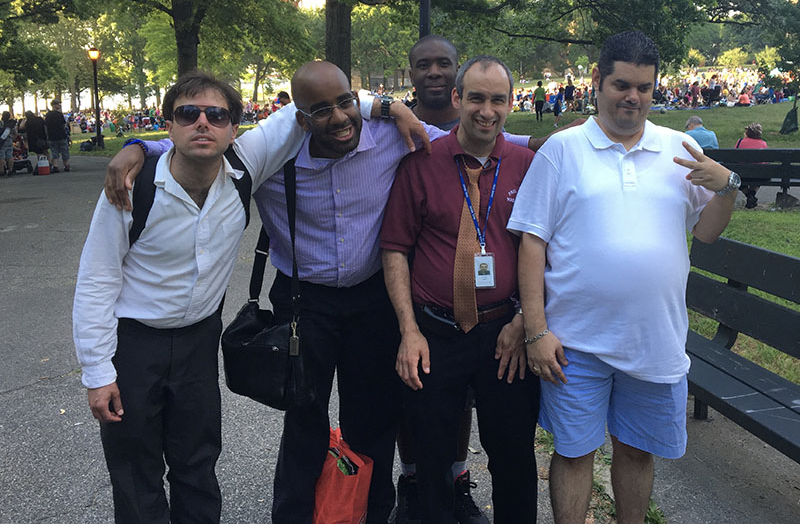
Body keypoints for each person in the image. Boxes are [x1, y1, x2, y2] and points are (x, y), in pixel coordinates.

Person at [103, 62, 433, 524]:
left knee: (373, 419)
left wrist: (547, 147)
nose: (338, 117)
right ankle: (295, 516)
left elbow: (466, 143)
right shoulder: (271, 158)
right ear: (299, 119)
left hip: (371, 300)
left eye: (345, 104)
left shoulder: (392, 139)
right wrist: (139, 145)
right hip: (303, 303)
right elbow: (205, 142)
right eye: (320, 110)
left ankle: (368, 514)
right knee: (303, 420)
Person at [508, 31, 738, 524]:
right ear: (598, 81)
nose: (633, 97)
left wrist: (727, 190)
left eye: (644, 87)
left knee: (636, 453)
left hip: (653, 341)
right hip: (575, 345)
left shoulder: (679, 148)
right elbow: (532, 242)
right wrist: (536, 330)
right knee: (573, 453)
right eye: (621, 84)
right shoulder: (562, 150)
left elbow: (709, 234)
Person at [73, 72, 252, 524]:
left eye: (217, 115)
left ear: (234, 129)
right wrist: (97, 373)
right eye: (188, 114)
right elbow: (96, 280)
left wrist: (385, 108)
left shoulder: (243, 176)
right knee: (135, 469)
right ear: (168, 126)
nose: (203, 124)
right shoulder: (130, 188)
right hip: (134, 344)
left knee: (198, 460)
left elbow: (305, 107)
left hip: (199, 341)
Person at [381, 56, 540, 524]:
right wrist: (409, 331)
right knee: (431, 458)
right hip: (435, 334)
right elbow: (394, 250)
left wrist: (524, 320)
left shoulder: (527, 166)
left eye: (497, 99)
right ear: (457, 99)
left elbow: (547, 249)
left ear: (511, 104)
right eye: (475, 97)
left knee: (513, 455)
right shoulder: (421, 164)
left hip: (504, 337)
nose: (486, 110)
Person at [735, 122, 768, 209]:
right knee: (762, 173)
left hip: (742, 174)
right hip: (758, 175)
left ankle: (749, 196)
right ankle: (752, 195)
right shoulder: (763, 143)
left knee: (736, 176)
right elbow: (765, 161)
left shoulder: (740, 142)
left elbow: (734, 158)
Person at [45, 99, 71, 172]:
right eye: (58, 104)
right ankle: (66, 165)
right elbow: (64, 125)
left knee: (54, 151)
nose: (59, 105)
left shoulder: (48, 115)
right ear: (54, 105)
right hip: (61, 135)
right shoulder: (60, 114)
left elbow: (46, 126)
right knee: (64, 150)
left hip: (51, 136)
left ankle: (55, 166)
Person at [0, 111, 17, 177]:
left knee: (1, 157)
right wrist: (12, 139)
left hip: (1, 142)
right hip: (9, 141)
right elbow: (15, 133)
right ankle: (10, 170)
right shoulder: (11, 124)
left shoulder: (1, 123)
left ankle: (1, 171)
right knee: (9, 156)